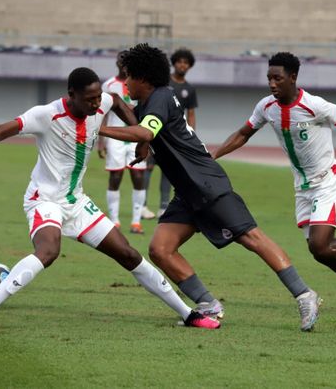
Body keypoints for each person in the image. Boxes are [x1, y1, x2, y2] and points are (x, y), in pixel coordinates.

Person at [0, 68, 218, 331]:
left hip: (77, 202)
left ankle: (188, 314)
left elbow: (114, 100)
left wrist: (138, 134)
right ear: (72, 95)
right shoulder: (45, 115)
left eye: (97, 98)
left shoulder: (101, 101)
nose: (96, 104)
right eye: (90, 99)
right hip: (44, 200)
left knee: (128, 254)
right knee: (48, 252)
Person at [99, 44, 322, 332]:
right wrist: (116, 106)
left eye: (128, 76)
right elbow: (138, 123)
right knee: (160, 249)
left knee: (252, 238)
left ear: (143, 78)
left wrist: (98, 130)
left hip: (205, 183)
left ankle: (304, 294)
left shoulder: (161, 97)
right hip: (187, 191)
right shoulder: (149, 102)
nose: (125, 81)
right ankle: (208, 304)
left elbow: (144, 130)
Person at [213, 52, 336, 318]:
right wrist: (214, 155)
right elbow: (244, 133)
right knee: (322, 253)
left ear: (293, 77)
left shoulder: (314, 105)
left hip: (327, 182)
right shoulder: (267, 107)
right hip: (302, 188)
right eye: (269, 78)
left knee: (321, 246)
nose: (272, 84)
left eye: (277, 78)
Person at [144, 48, 199, 217]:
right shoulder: (164, 82)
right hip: (156, 132)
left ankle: (163, 206)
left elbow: (190, 114)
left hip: (174, 136)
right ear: (174, 63)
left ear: (189, 66)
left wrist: (190, 136)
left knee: (169, 169)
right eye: (180, 61)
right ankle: (142, 205)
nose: (182, 65)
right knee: (148, 166)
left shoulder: (189, 89)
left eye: (186, 63)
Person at [98, 51, 148, 234]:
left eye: (126, 62)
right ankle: (114, 221)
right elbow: (102, 112)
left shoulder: (141, 83)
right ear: (117, 63)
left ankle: (136, 222)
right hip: (115, 137)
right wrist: (101, 141)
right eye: (120, 61)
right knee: (115, 177)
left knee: (138, 177)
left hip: (136, 136)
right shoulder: (109, 85)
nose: (123, 64)